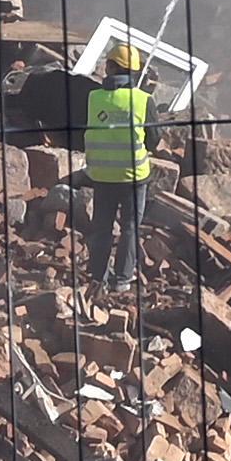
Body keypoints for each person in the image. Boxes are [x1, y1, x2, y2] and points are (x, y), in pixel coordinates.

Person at [84, 36, 156, 288]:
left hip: (101, 175)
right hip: (134, 176)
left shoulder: (94, 98)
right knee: (130, 228)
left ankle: (97, 278)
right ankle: (122, 280)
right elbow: (154, 139)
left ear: (111, 67)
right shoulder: (144, 100)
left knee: (101, 228)